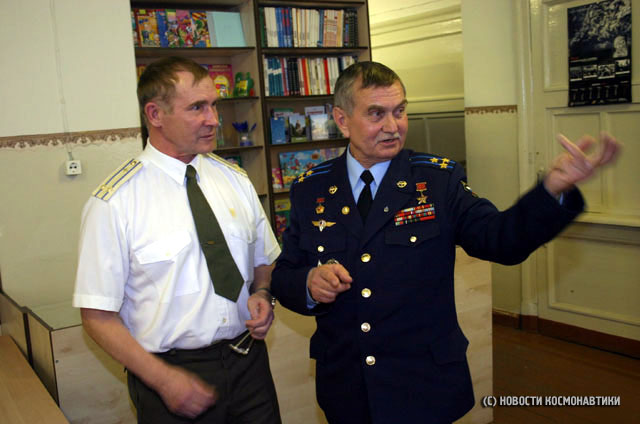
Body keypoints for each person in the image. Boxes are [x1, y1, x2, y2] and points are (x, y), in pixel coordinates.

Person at [270, 61, 620, 424]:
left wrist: (550, 191)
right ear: (342, 120)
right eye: (376, 114)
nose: (392, 126)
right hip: (348, 387)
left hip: (423, 385)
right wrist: (309, 283)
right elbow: (284, 274)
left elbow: (501, 239)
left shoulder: (438, 180)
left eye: (399, 111)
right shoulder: (311, 188)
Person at [73, 56, 281, 424]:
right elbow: (97, 316)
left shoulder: (235, 180)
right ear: (155, 114)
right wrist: (163, 380)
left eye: (214, 105)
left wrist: (262, 294)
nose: (213, 119)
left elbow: (262, 259)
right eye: (197, 107)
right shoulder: (115, 202)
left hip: (248, 364)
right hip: (168, 375)